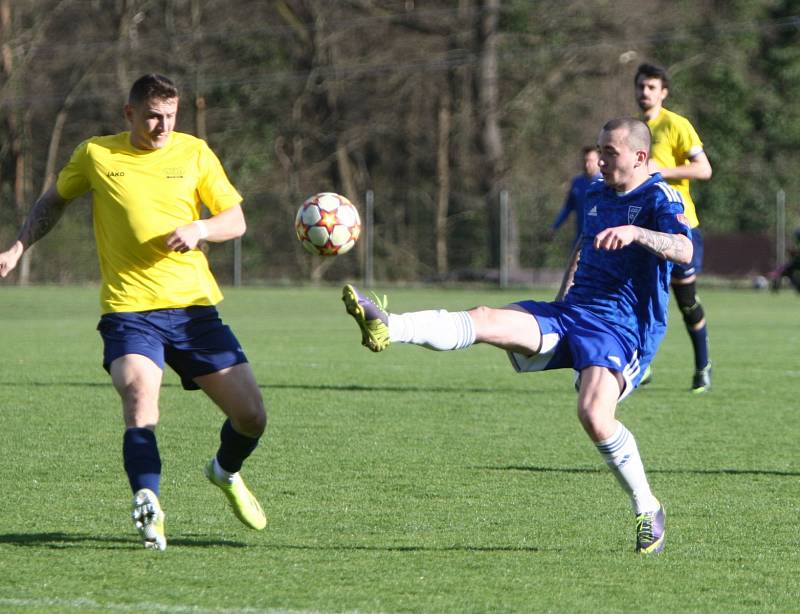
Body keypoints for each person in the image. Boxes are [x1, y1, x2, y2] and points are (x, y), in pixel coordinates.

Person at [342, 118, 692, 555]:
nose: (599, 159)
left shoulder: (660, 196)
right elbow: (583, 248)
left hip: (622, 330)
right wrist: (560, 300)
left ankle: (647, 507)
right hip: (572, 312)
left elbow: (686, 249)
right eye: (599, 150)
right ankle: (389, 325)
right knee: (487, 318)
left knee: (594, 416)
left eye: (609, 152)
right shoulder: (597, 192)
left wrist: (637, 233)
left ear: (639, 157)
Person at [0, 74, 267, 551]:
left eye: (170, 116)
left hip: (193, 311)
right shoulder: (96, 155)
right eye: (152, 115)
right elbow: (53, 200)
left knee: (252, 418)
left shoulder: (194, 152)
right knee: (140, 400)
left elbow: (236, 219)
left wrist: (200, 229)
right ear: (128, 113)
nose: (162, 125)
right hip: (129, 313)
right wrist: (19, 247)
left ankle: (225, 471)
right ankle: (149, 502)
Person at [635, 62, 713, 393]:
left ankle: (702, 365)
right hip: (645, 228)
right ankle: (641, 365)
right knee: (638, 296)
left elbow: (704, 169)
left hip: (681, 228)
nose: (644, 92)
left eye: (651, 87)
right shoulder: (634, 130)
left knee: (686, 301)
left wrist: (660, 171)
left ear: (663, 92)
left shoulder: (676, 125)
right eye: (640, 86)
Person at [549, 146, 602, 246]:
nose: (587, 164)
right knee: (573, 261)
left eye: (590, 161)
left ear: (599, 161)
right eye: (585, 160)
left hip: (600, 241)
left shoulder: (607, 184)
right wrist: (554, 227)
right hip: (580, 239)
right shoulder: (577, 183)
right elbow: (568, 208)